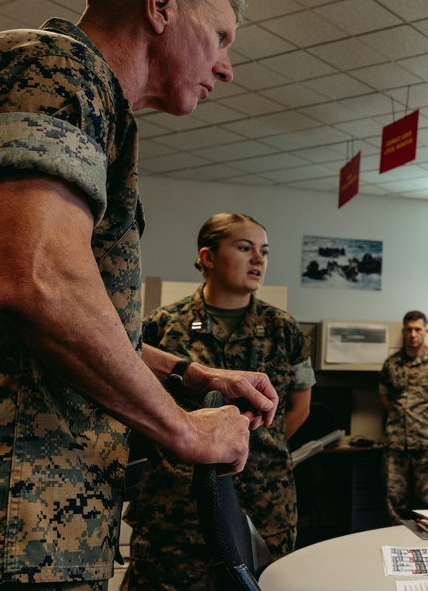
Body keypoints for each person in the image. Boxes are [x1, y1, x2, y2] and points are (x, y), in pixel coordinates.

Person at [0, 0, 278, 590]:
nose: (227, 67)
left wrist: (190, 370)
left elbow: (47, 308)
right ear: (160, 7)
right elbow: (38, 284)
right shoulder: (54, 70)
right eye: (220, 37)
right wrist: (182, 427)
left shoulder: (100, 111)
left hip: (32, 515)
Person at [123, 213, 315, 589]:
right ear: (207, 256)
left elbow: (300, 407)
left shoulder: (285, 328)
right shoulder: (162, 325)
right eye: (244, 248)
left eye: (264, 251)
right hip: (176, 507)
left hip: (264, 505)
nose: (258, 260)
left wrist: (254, 444)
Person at [378, 311, 428, 523]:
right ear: (403, 331)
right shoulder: (391, 364)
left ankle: (426, 544)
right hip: (396, 445)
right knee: (394, 500)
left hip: (427, 444)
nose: (413, 334)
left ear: (425, 331)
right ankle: (395, 543)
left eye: (418, 329)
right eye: (409, 329)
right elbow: (384, 396)